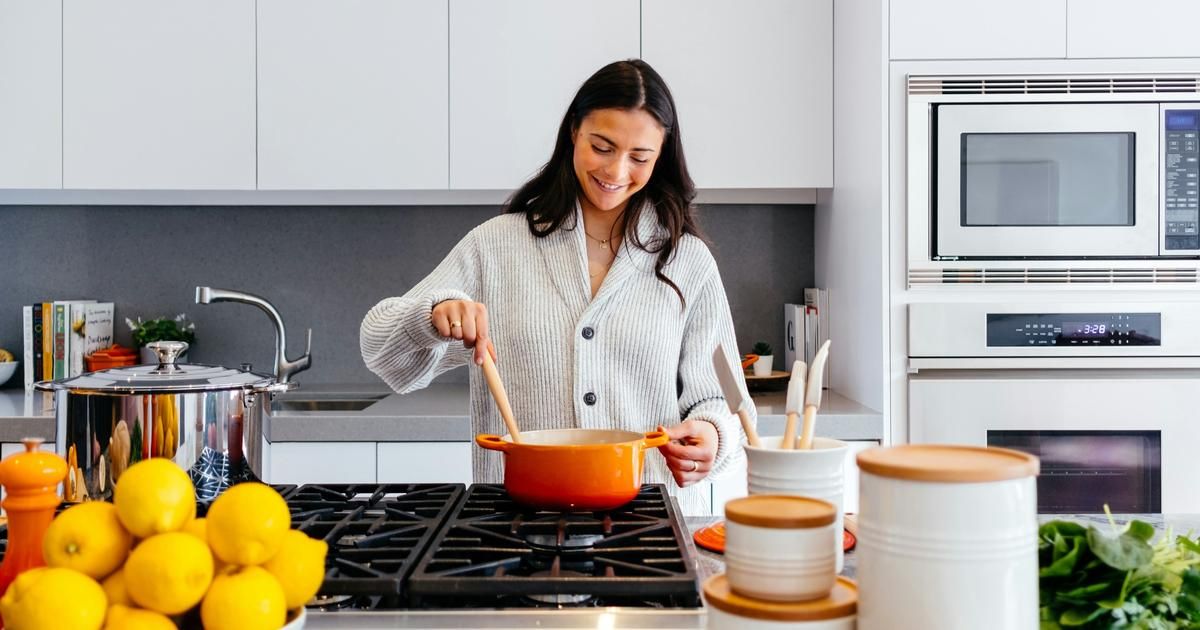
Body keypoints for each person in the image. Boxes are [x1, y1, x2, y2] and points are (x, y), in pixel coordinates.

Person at [360, 59, 756, 515]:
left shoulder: (687, 260)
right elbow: (380, 351)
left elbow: (726, 403)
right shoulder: (497, 246)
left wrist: (712, 435)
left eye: (639, 157)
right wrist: (431, 316)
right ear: (573, 132)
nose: (617, 171)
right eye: (602, 147)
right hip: (516, 525)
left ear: (661, 155)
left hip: (649, 525)